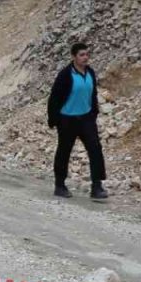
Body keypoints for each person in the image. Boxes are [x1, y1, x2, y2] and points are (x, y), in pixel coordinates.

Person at [47, 42, 108, 201]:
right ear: (74, 57)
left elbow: (93, 94)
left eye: (87, 54)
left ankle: (97, 185)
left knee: (95, 149)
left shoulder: (90, 73)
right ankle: (60, 185)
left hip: (86, 118)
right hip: (67, 119)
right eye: (81, 55)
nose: (85, 57)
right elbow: (54, 98)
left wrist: (94, 112)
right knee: (64, 151)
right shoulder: (65, 75)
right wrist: (54, 120)